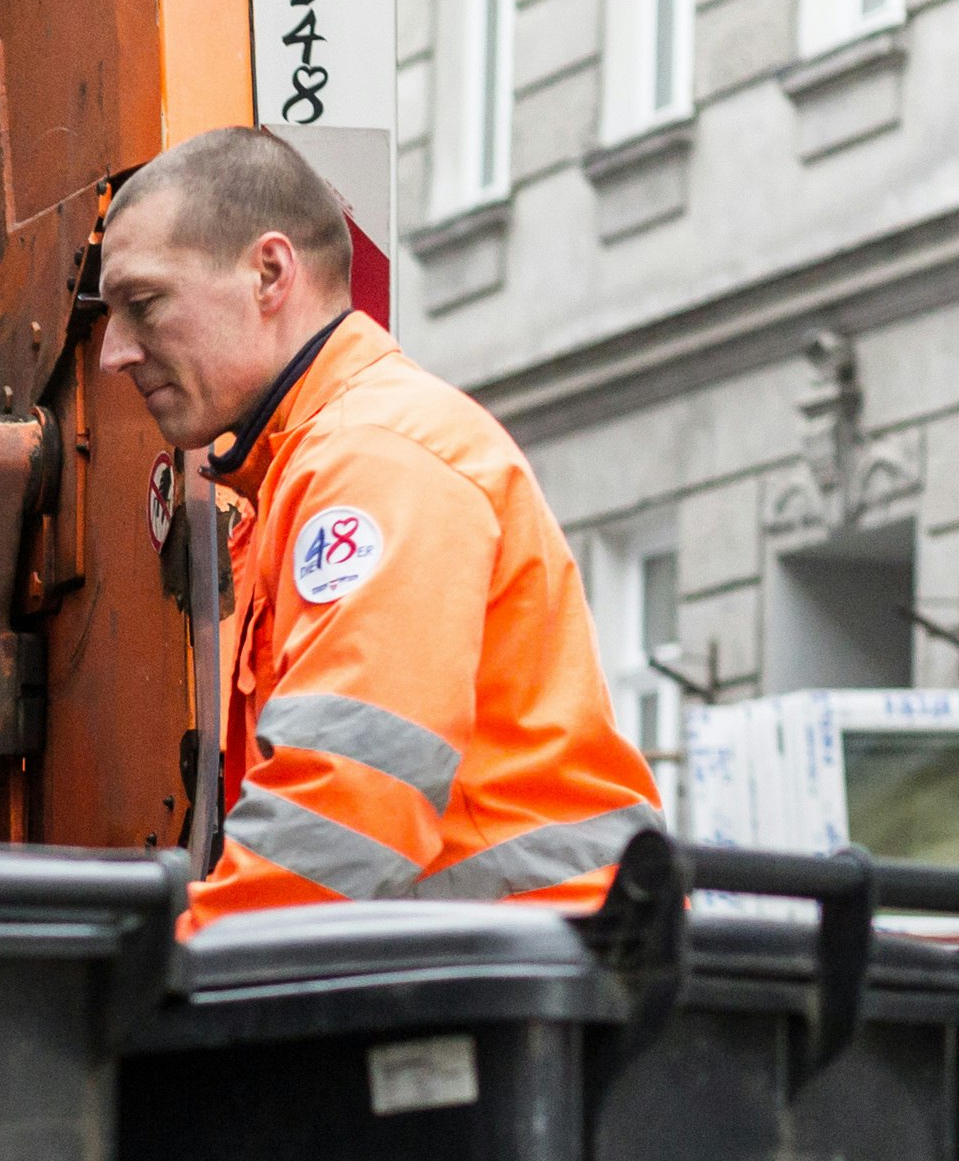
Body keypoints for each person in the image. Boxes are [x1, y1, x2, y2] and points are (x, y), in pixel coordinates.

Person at [90, 127, 662, 926]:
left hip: (526, 975)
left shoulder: (372, 460)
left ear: (270, 273)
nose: (115, 352)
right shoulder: (326, 462)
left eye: (143, 304)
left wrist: (182, 963)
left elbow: (347, 808)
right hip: (517, 965)